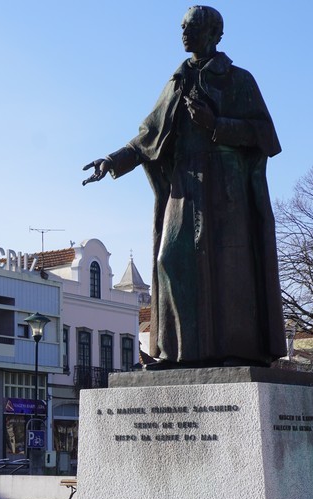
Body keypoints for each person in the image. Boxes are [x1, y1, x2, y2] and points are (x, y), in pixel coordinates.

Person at [83, 5, 285, 368]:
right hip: (184, 185)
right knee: (170, 261)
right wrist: (113, 161)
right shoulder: (176, 82)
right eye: (182, 27)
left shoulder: (239, 80)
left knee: (230, 265)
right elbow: (148, 137)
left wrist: (217, 123)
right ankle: (180, 352)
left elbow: (266, 136)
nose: (183, 33)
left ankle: (236, 351)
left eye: (190, 27)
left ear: (212, 33)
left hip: (226, 186)